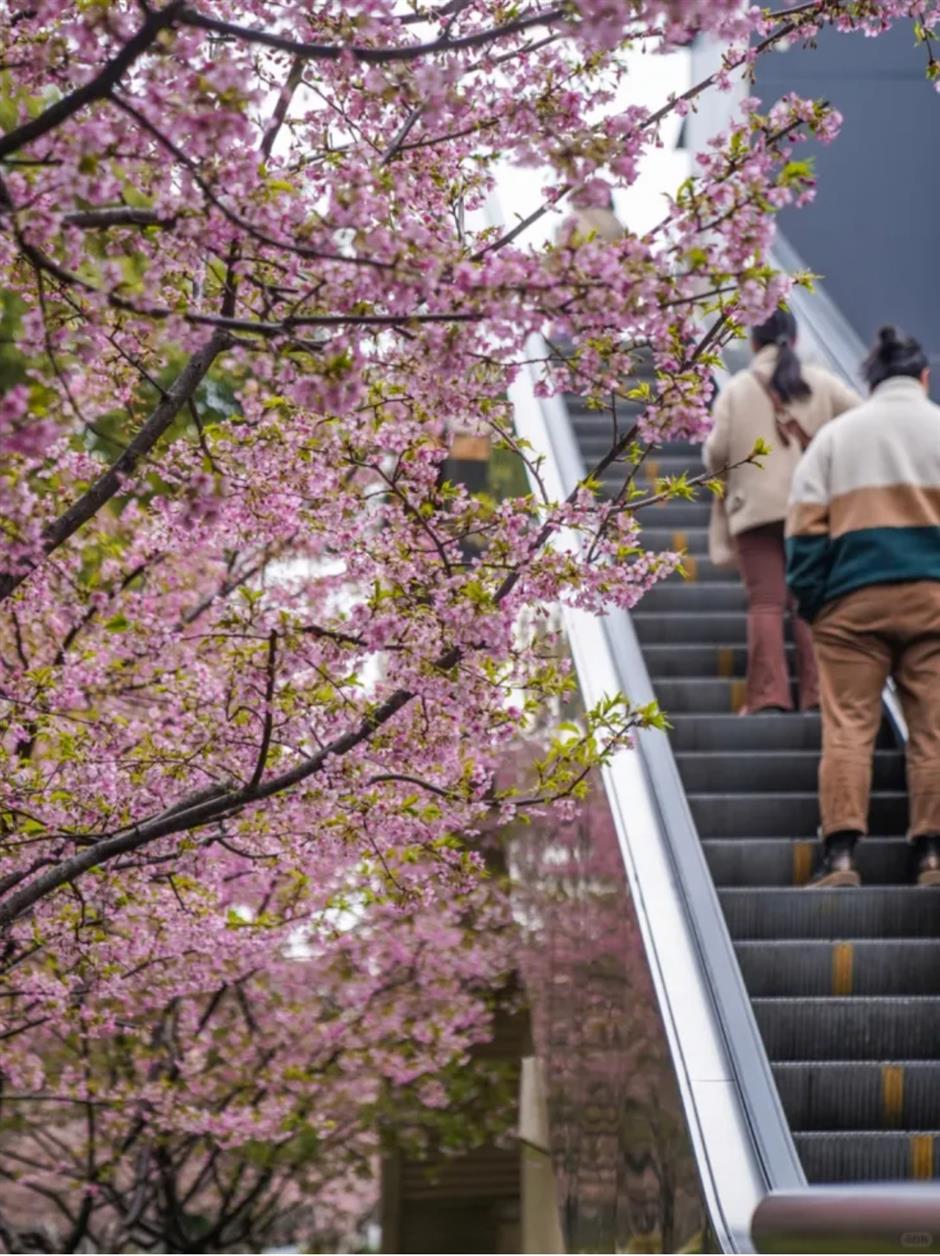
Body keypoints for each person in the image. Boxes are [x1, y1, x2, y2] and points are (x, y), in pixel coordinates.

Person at [786, 326, 940, 888]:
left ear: (869, 382)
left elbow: (802, 531)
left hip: (852, 604)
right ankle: (931, 856)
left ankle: (842, 857)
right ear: (923, 378)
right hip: (934, 599)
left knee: (849, 726)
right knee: (934, 729)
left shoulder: (836, 438)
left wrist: (813, 600)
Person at [704, 310, 861, 714]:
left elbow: (716, 452)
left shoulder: (737, 390)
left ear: (754, 343)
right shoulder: (823, 384)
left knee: (766, 604)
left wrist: (734, 483)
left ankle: (768, 695)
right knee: (810, 602)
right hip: (811, 509)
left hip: (755, 513)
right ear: (795, 339)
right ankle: (818, 693)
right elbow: (862, 423)